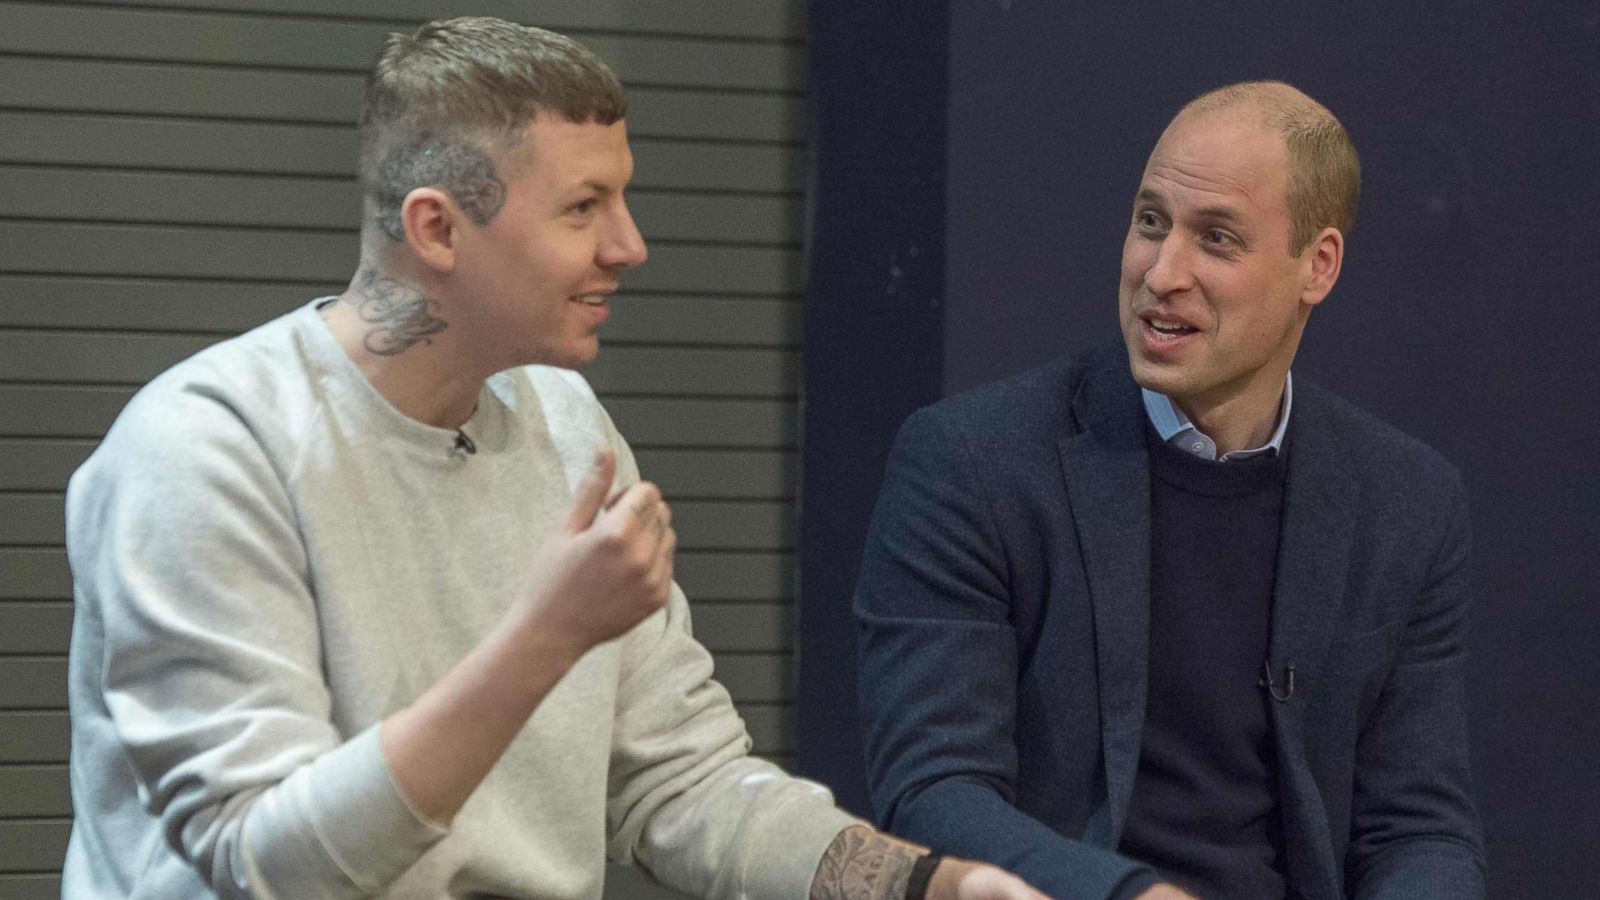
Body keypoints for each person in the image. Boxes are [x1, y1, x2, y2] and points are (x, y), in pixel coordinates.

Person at [62, 17, 1047, 900]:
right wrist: (542, 638)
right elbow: (264, 867)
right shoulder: (205, 451)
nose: (631, 245)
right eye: (583, 208)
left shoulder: (567, 425)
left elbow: (685, 782)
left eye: (623, 199)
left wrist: (928, 886)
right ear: (436, 228)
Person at [854, 81, 1484, 900]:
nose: (1162, 272)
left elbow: (1420, 827)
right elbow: (934, 794)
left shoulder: (1407, 500)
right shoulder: (971, 463)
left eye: (1216, 239)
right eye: (1151, 223)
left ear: (1316, 267)